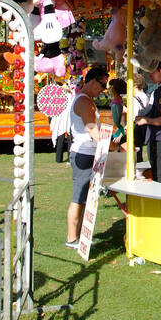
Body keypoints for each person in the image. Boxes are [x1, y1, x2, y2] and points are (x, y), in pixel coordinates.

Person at [65, 66, 109, 250]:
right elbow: (92, 130)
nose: (103, 89)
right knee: (79, 197)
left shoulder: (86, 100)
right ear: (92, 81)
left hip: (88, 153)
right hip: (83, 154)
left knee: (84, 198)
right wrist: (111, 144)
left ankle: (80, 235)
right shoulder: (84, 102)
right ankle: (71, 238)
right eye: (102, 84)